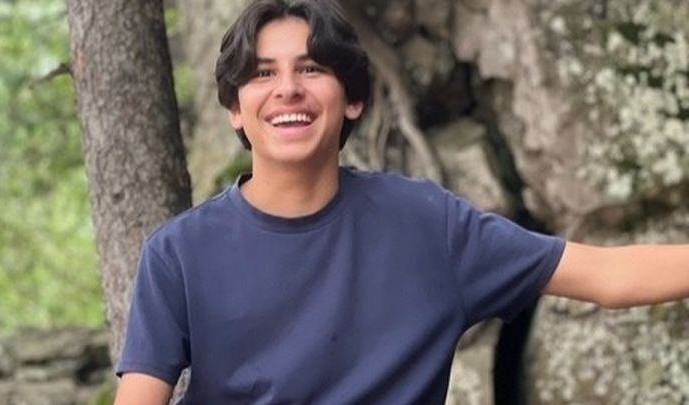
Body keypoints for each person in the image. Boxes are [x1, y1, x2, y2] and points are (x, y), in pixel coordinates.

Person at [113, 0, 689, 403]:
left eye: (311, 68)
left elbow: (609, 275)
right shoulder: (180, 253)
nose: (288, 88)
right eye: (263, 74)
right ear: (235, 110)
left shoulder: (429, 226)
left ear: (354, 100)